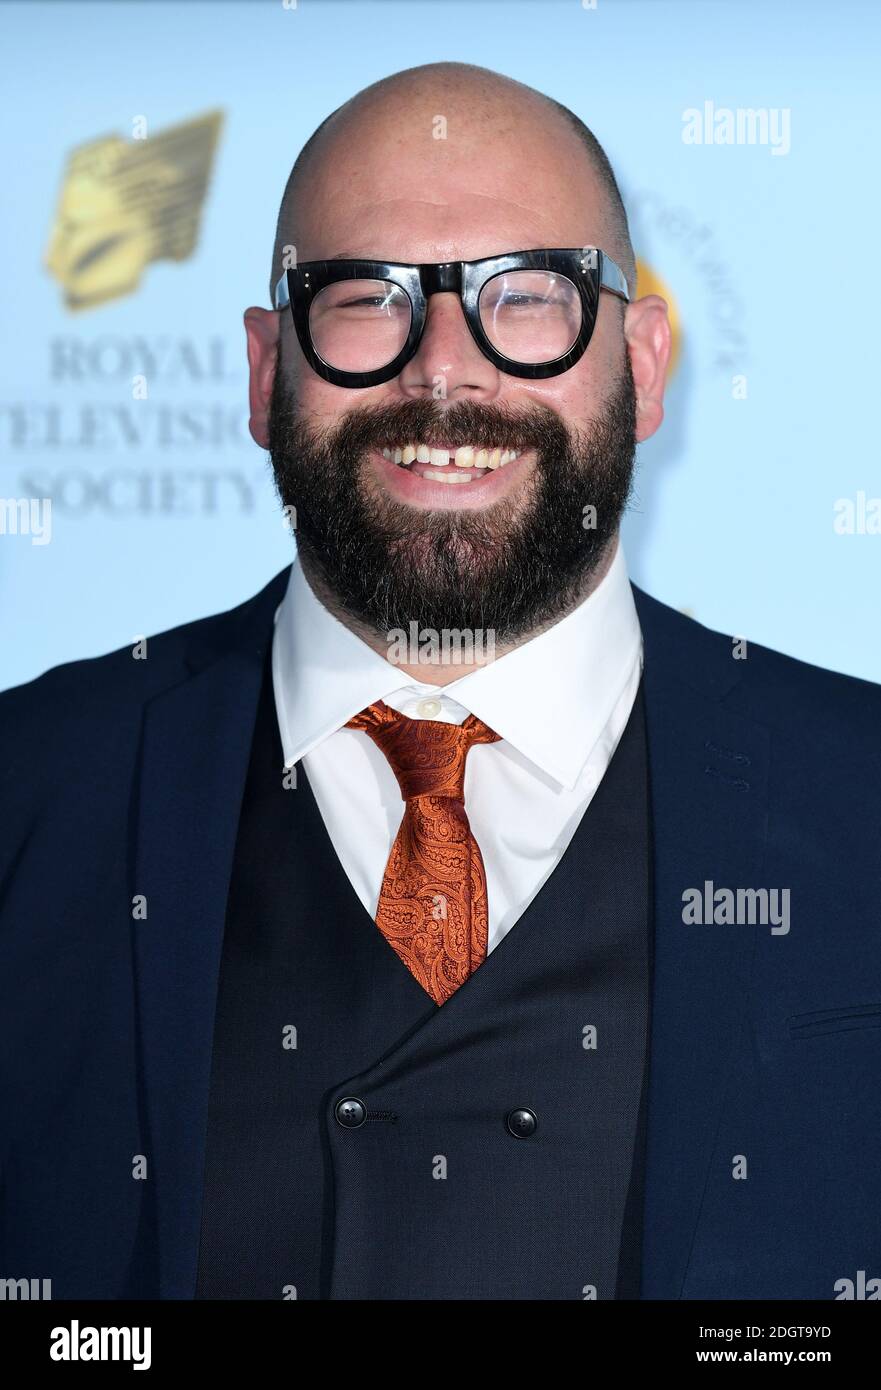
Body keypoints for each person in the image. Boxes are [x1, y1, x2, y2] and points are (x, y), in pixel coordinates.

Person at [2, 62, 879, 1302]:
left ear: (640, 359)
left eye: (527, 298)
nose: (443, 373)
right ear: (265, 372)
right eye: (365, 299)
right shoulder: (32, 789)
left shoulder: (861, 794)